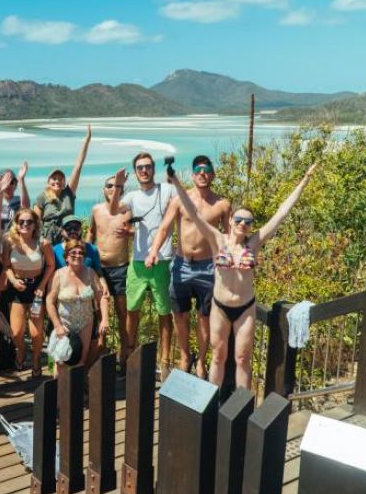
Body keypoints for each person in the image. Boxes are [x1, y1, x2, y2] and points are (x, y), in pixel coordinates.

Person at [167, 163, 317, 389]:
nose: (242, 225)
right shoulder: (217, 239)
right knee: (218, 357)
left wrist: (304, 181)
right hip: (220, 306)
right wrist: (177, 182)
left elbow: (281, 213)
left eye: (247, 222)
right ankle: (213, 403)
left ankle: (242, 408)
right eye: (238, 220)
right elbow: (194, 212)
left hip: (245, 308)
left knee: (242, 359)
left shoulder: (254, 243)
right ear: (230, 221)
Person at [145, 156, 231, 378]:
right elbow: (164, 229)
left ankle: (201, 361)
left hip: (209, 268)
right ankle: (185, 356)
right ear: (193, 175)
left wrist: (230, 261)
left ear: (212, 175)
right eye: (198, 171)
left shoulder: (222, 204)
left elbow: (229, 237)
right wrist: (153, 251)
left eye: (207, 171)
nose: (202, 174)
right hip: (182, 264)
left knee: (204, 318)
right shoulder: (180, 201)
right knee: (180, 315)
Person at [121, 152, 176, 380]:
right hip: (138, 261)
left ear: (154, 169)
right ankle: (129, 357)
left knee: (165, 312)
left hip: (163, 260)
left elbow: (184, 204)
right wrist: (117, 186)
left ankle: (164, 362)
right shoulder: (132, 196)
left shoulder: (167, 190)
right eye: (140, 167)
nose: (144, 170)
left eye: (148, 166)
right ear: (135, 172)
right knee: (132, 310)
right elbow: (115, 210)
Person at [46, 240, 110, 400]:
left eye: (81, 253)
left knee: (81, 360)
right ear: (66, 257)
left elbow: (101, 297)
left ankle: (75, 396)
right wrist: (57, 325)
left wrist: (104, 320)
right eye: (73, 253)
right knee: (62, 361)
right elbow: (49, 301)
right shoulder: (59, 275)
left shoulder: (90, 273)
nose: (77, 256)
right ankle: (59, 399)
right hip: (65, 324)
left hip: (86, 322)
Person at [87, 168, 133, 366]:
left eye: (117, 186)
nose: (113, 189)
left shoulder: (127, 211)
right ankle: (101, 357)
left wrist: (133, 232)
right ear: (103, 189)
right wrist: (85, 260)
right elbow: (90, 234)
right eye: (109, 186)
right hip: (99, 269)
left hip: (120, 268)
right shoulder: (96, 210)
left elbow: (139, 233)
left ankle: (125, 357)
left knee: (124, 315)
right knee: (99, 314)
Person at [1, 208, 55, 376]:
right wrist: (13, 280)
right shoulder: (9, 241)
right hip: (17, 289)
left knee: (36, 332)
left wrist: (41, 286)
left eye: (29, 221)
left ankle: (37, 358)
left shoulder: (43, 243)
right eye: (21, 221)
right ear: (16, 224)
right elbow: (6, 266)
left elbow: (51, 265)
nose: (25, 224)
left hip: (36, 289)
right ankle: (21, 351)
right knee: (16, 332)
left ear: (35, 224)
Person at [33, 125, 92, 243]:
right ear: (48, 182)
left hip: (69, 237)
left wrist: (87, 141)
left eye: (60, 179)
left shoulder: (68, 193)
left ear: (64, 182)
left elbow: (78, 166)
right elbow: (36, 221)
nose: (57, 181)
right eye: (54, 178)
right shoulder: (42, 197)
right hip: (48, 240)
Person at [0, 163, 30, 232]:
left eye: (11, 182)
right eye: (5, 182)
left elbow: (26, 208)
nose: (8, 185)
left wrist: (21, 180)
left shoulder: (19, 200)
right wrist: (0, 191)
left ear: (16, 184)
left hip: (14, 239)